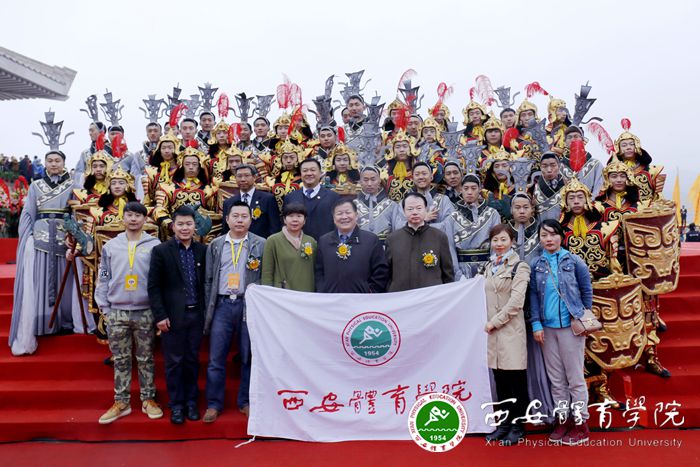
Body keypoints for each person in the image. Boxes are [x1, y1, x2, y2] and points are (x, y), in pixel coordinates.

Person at [10, 150, 84, 355]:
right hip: (41, 237)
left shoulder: (73, 185)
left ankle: (66, 322)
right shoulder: (36, 186)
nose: (53, 164)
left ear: (63, 163)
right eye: (50, 161)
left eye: (57, 160)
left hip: (64, 237)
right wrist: (27, 236)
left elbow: (78, 212)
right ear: (44, 164)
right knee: (40, 280)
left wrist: (75, 235)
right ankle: (44, 323)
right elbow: (28, 213)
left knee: (66, 281)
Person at [94, 202, 162, 424]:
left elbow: (160, 280)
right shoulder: (111, 246)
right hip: (118, 311)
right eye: (129, 215)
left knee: (146, 357)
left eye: (138, 215)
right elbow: (103, 276)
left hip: (145, 311)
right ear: (123, 218)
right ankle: (121, 402)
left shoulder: (155, 245)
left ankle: (148, 399)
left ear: (145, 219)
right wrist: (105, 308)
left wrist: (158, 310)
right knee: (121, 359)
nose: (133, 219)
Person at [529, 219, 592, 445]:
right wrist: (536, 324)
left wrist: (584, 319)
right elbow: (533, 296)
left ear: (561, 237)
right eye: (544, 235)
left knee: (575, 378)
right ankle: (562, 420)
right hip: (547, 328)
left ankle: (581, 423)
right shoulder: (536, 264)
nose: (549, 239)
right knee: (556, 379)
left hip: (570, 327)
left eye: (553, 234)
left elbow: (586, 290)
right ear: (539, 239)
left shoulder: (574, 261)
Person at [203, 201, 266, 422]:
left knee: (248, 356)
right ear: (227, 219)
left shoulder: (260, 244)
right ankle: (214, 404)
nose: (240, 220)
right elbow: (208, 280)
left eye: (244, 216)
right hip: (222, 305)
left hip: (248, 305)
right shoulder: (216, 245)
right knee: (216, 358)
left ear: (251, 219)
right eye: (235, 216)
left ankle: (246, 401)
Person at [148, 206, 208, 424]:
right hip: (172, 317)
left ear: (195, 226)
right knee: (174, 362)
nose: (185, 228)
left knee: (192, 360)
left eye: (189, 224)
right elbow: (153, 287)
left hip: (196, 315)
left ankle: (191, 403)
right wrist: (160, 315)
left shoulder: (203, 250)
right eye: (180, 224)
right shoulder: (161, 251)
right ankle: (176, 405)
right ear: (173, 226)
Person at [482, 224, 531, 445]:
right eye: (495, 240)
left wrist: (494, 322)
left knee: (515, 380)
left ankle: (518, 426)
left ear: (512, 241)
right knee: (499, 380)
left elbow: (516, 302)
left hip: (510, 330)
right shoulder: (488, 266)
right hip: (492, 333)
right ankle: (503, 424)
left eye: (503, 239)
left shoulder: (520, 267)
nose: (499, 244)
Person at [315, 198, 389, 293]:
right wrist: (323, 289)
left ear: (356, 215)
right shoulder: (324, 241)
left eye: (348, 212)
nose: (344, 217)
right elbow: (319, 271)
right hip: (331, 298)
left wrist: (370, 290)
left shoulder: (371, 240)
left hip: (361, 298)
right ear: (333, 218)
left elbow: (381, 271)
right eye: (339, 214)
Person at [386, 192, 454, 291]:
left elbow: (448, 274)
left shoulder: (439, 237)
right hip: (401, 295)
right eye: (410, 209)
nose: (414, 212)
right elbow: (387, 273)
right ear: (404, 211)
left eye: (419, 208)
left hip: (431, 295)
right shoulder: (393, 239)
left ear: (426, 209)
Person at [261, 203, 316, 291]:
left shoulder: (311, 241)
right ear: (284, 219)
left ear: (304, 220)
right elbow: (267, 272)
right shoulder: (273, 240)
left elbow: (315, 270)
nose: (295, 220)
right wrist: (267, 292)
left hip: (307, 292)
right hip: (282, 292)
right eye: (291, 216)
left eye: (299, 216)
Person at [283, 158, 340, 241]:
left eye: (313, 170)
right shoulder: (291, 197)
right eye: (305, 171)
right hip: (297, 245)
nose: (309, 173)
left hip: (325, 244)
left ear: (320, 173)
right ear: (300, 174)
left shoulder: (333, 197)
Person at [222, 164, 281, 238]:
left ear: (254, 177)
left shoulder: (268, 199)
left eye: (246, 175)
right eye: (239, 176)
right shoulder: (228, 202)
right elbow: (225, 230)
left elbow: (275, 227)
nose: (243, 179)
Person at [354, 166, 404, 242]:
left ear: (379, 180)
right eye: (366, 180)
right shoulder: (353, 205)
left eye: (373, 179)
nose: (369, 184)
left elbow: (398, 231)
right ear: (360, 181)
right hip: (360, 245)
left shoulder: (392, 205)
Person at [533, 152, 566, 222]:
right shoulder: (532, 188)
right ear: (540, 167)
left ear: (559, 166)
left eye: (553, 165)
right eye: (544, 166)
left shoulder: (568, 185)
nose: (549, 170)